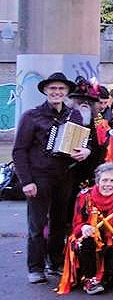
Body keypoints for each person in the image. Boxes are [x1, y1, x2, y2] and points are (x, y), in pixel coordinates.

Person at [13, 72, 88, 284]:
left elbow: (85, 141)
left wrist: (86, 152)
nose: (57, 92)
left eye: (61, 89)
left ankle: (54, 263)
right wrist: (26, 181)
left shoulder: (74, 116)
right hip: (39, 177)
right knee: (36, 225)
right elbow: (19, 150)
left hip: (64, 176)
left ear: (66, 92)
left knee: (59, 223)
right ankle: (35, 268)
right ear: (46, 91)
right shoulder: (31, 116)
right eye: (53, 89)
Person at [56, 162, 113, 295]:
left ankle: (103, 281)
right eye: (105, 180)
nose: (108, 184)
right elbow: (76, 224)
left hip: (111, 239)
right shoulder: (84, 196)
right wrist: (84, 227)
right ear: (97, 181)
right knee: (87, 241)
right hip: (86, 236)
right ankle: (89, 279)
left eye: (112, 181)